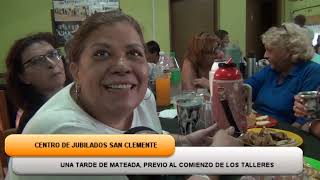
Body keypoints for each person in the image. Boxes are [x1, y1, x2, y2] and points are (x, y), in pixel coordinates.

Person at [5, 11, 241, 180]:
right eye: (101, 53)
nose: (122, 66)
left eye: (134, 53)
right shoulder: (61, 134)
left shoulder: (142, 98)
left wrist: (182, 141)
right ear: (75, 69)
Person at [245, 23, 320, 128]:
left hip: (284, 134)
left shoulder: (312, 72)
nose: (265, 55)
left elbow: (303, 121)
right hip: (256, 128)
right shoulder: (271, 69)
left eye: (270, 50)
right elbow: (245, 89)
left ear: (289, 51)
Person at [5, 32, 68, 133]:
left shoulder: (82, 95)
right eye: (36, 61)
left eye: (52, 54)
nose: (51, 64)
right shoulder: (34, 122)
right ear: (23, 77)